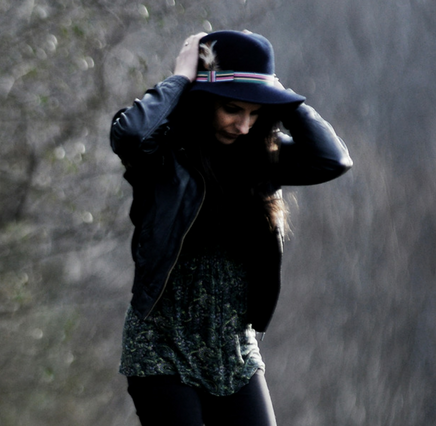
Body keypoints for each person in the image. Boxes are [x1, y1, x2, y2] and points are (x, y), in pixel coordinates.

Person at [109, 30, 352, 425]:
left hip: (234, 350)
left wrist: (279, 97)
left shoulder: (262, 157)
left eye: (255, 114)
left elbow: (333, 159)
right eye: (232, 110)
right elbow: (130, 133)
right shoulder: (164, 154)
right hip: (161, 348)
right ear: (203, 103)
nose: (243, 125)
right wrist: (181, 79)